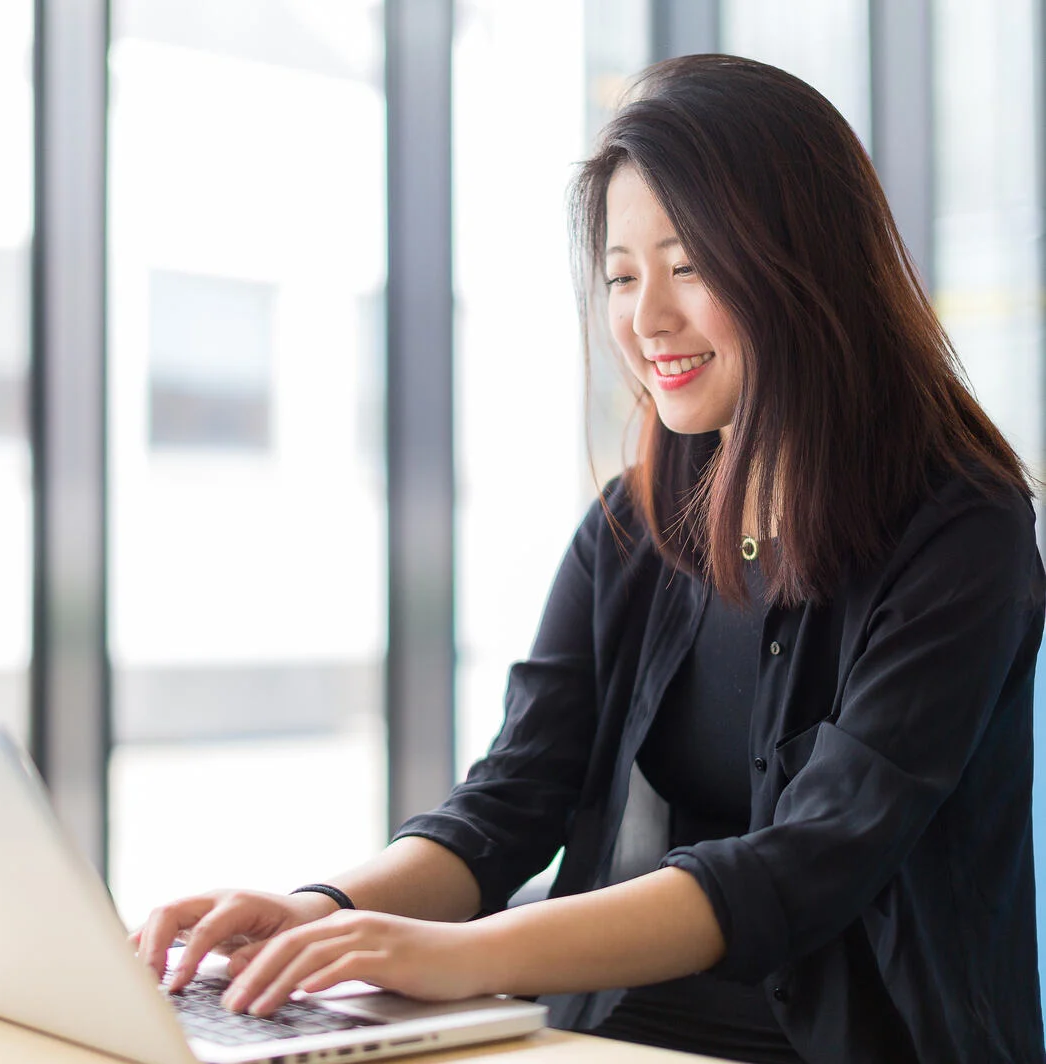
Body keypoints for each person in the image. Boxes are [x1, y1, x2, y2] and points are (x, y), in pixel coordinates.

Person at [131, 55, 1046, 1063]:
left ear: (803, 259)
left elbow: (809, 859)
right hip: (608, 1035)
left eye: (689, 264)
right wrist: (320, 908)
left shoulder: (963, 531)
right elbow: (512, 798)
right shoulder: (634, 525)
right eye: (620, 274)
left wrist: (466, 954)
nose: (646, 318)